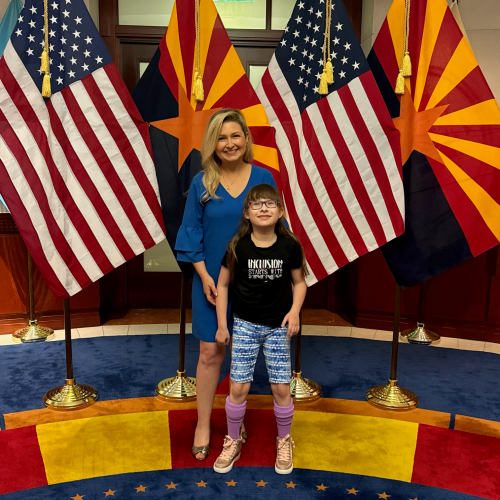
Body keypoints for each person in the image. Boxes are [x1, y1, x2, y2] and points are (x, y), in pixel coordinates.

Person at [175, 109, 277, 461]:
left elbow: (273, 230)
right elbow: (191, 234)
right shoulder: (203, 184)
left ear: (246, 140)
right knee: (209, 353)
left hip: (253, 284)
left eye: (235, 136)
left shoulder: (263, 178)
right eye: (221, 137)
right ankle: (203, 423)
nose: (229, 143)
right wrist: (204, 277)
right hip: (210, 284)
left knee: (244, 355)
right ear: (212, 144)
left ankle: (236, 419)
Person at [212, 184, 308, 475]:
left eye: (270, 204)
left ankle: (284, 440)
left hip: (278, 327)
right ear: (247, 213)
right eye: (257, 204)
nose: (264, 208)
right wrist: (221, 325)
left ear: (280, 212)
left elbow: (300, 283)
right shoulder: (237, 247)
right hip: (244, 326)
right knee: (238, 386)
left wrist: (294, 312)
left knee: (281, 387)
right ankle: (233, 438)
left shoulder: (289, 246)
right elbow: (223, 286)